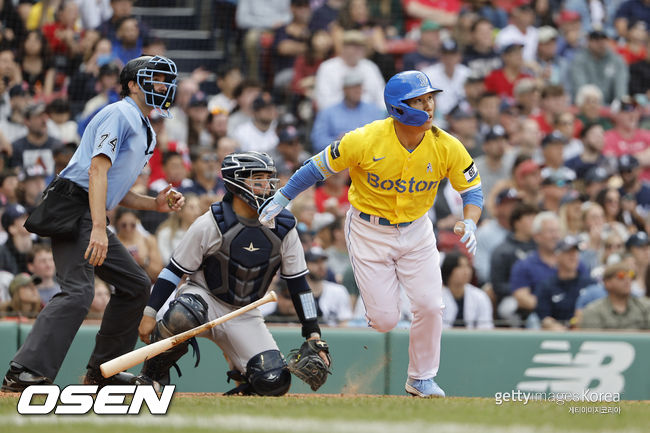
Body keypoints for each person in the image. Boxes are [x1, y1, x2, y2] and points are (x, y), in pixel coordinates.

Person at [259, 70, 484, 397]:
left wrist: (471, 220)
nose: (429, 106)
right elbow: (316, 167)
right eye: (419, 100)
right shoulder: (365, 139)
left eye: (430, 98)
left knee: (431, 306)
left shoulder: (446, 145)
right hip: (368, 230)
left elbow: (473, 191)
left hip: (417, 230)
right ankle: (380, 308)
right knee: (384, 321)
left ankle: (420, 378)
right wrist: (283, 196)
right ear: (399, 108)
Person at [1, 55, 185, 392]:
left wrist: (155, 203)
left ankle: (104, 371)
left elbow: (115, 188)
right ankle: (24, 371)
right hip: (73, 204)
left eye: (165, 80)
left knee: (134, 285)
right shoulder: (120, 113)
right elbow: (96, 171)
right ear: (132, 84)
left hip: (89, 207)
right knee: (79, 291)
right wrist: (100, 228)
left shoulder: (146, 129)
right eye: (155, 78)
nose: (163, 86)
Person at [137, 152, 330, 395]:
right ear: (236, 182)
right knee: (181, 316)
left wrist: (312, 331)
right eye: (258, 179)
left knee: (275, 382)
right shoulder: (210, 223)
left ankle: (242, 384)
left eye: (268, 178)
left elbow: (299, 284)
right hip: (203, 300)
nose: (267, 185)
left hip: (245, 313)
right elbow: (173, 271)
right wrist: (149, 313)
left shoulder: (284, 225)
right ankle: (151, 377)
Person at [579, 261, 650, 330]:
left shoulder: (646, 306)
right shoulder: (593, 311)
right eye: (621, 276)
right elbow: (592, 339)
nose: (627, 280)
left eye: (630, 275)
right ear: (607, 282)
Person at [441, 251, 493, 329]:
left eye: (468, 266)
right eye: (460, 267)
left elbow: (486, 328)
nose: (466, 271)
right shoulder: (437, 297)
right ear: (448, 270)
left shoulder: (480, 296)